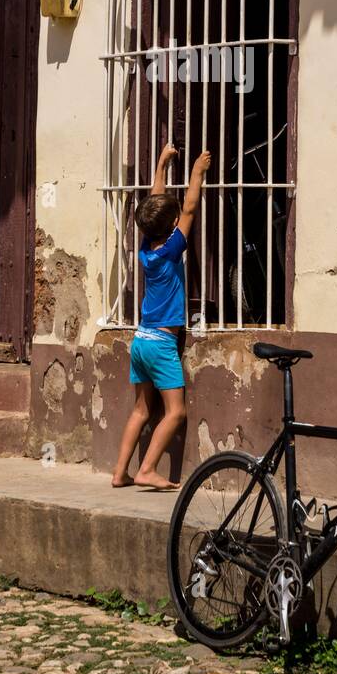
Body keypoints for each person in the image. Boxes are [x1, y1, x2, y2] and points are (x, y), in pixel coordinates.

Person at [111, 143, 211, 491]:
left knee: (141, 410)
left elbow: (156, 205)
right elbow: (190, 207)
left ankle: (120, 472)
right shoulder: (171, 249)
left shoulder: (146, 247)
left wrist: (162, 163)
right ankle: (147, 469)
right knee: (176, 412)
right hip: (161, 344)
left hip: (140, 340)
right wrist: (197, 171)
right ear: (170, 226)